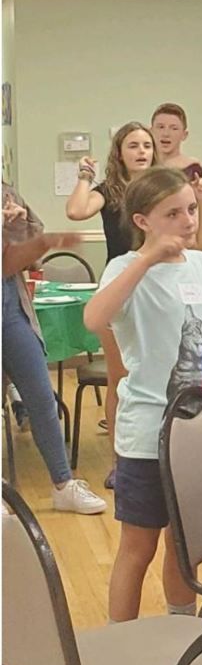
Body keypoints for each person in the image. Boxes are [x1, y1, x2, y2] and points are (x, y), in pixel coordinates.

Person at [84, 167, 202, 622]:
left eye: (191, 209)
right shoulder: (125, 268)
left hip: (200, 431)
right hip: (149, 435)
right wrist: (146, 260)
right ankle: (119, 640)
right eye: (173, 213)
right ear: (143, 221)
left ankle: (181, 631)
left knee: (185, 545)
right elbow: (94, 319)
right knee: (138, 546)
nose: (187, 221)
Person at [2, 185, 106, 514]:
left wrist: (20, 228)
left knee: (41, 397)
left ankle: (63, 485)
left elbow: (26, 262)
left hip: (11, 309)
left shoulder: (6, 194)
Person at [151, 103, 202, 251]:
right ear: (151, 131)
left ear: (184, 135)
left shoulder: (192, 169)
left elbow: (197, 222)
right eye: (160, 127)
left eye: (174, 128)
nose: (166, 133)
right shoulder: (143, 168)